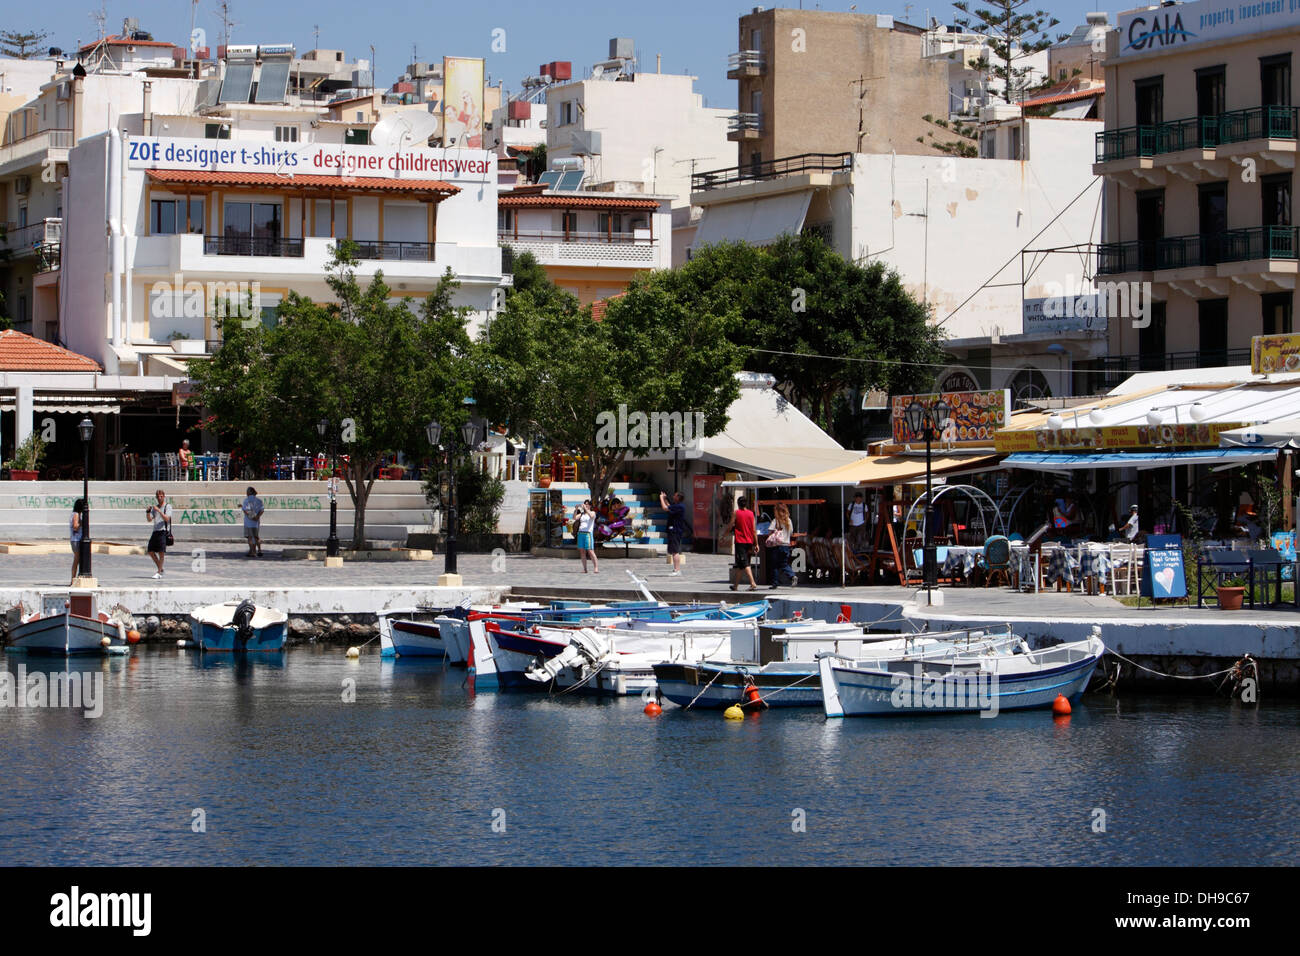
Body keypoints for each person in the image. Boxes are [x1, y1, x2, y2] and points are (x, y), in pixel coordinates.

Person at [728, 496, 759, 592]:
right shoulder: (751, 514)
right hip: (749, 541)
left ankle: (753, 583)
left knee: (744, 563)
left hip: (740, 542)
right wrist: (756, 543)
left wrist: (724, 535)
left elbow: (731, 525)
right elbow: (754, 530)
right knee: (741, 565)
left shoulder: (736, 513)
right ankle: (735, 585)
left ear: (738, 504)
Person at [765, 502, 795, 589]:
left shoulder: (776, 520)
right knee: (784, 564)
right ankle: (792, 576)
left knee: (774, 565)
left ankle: (775, 583)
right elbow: (791, 532)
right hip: (786, 545)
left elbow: (770, 531)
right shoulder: (789, 520)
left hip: (777, 545)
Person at [146, 489, 172, 579]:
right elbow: (149, 519)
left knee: (161, 552)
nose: (159, 498)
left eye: (161, 496)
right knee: (150, 550)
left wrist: (160, 511)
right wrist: (148, 512)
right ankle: (160, 569)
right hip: (155, 531)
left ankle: (159, 572)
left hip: (163, 531)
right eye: (158, 496)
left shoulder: (167, 506)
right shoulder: (155, 507)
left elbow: (167, 519)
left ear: (164, 496)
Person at [660, 491, 688, 575]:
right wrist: (665, 499)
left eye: (675, 496)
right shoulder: (677, 506)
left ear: (678, 498)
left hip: (675, 531)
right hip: (673, 530)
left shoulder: (680, 506)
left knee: (675, 551)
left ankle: (677, 570)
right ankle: (676, 569)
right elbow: (669, 506)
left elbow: (665, 508)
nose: (673, 496)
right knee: (673, 551)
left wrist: (661, 498)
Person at [575, 500, 599, 574]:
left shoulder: (592, 513)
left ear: (590, 506)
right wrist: (576, 509)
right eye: (585, 504)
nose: (586, 505)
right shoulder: (582, 514)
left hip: (588, 534)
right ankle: (585, 569)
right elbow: (575, 518)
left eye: (587, 504)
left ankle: (596, 567)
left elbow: (592, 516)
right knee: (582, 552)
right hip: (581, 533)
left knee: (590, 551)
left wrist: (586, 509)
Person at [241, 486, 265, 557]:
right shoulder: (259, 500)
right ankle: (259, 550)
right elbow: (262, 510)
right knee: (256, 537)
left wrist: (253, 517)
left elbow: (247, 511)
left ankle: (253, 552)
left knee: (250, 537)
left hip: (249, 522)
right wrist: (257, 517)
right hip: (256, 522)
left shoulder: (246, 500)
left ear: (248, 492)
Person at [69, 499, 85, 584]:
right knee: (76, 559)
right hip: (76, 539)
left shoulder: (77, 514)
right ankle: (73, 579)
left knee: (78, 559)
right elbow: (75, 526)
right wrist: (82, 523)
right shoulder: (76, 514)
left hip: (76, 539)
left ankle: (75, 578)